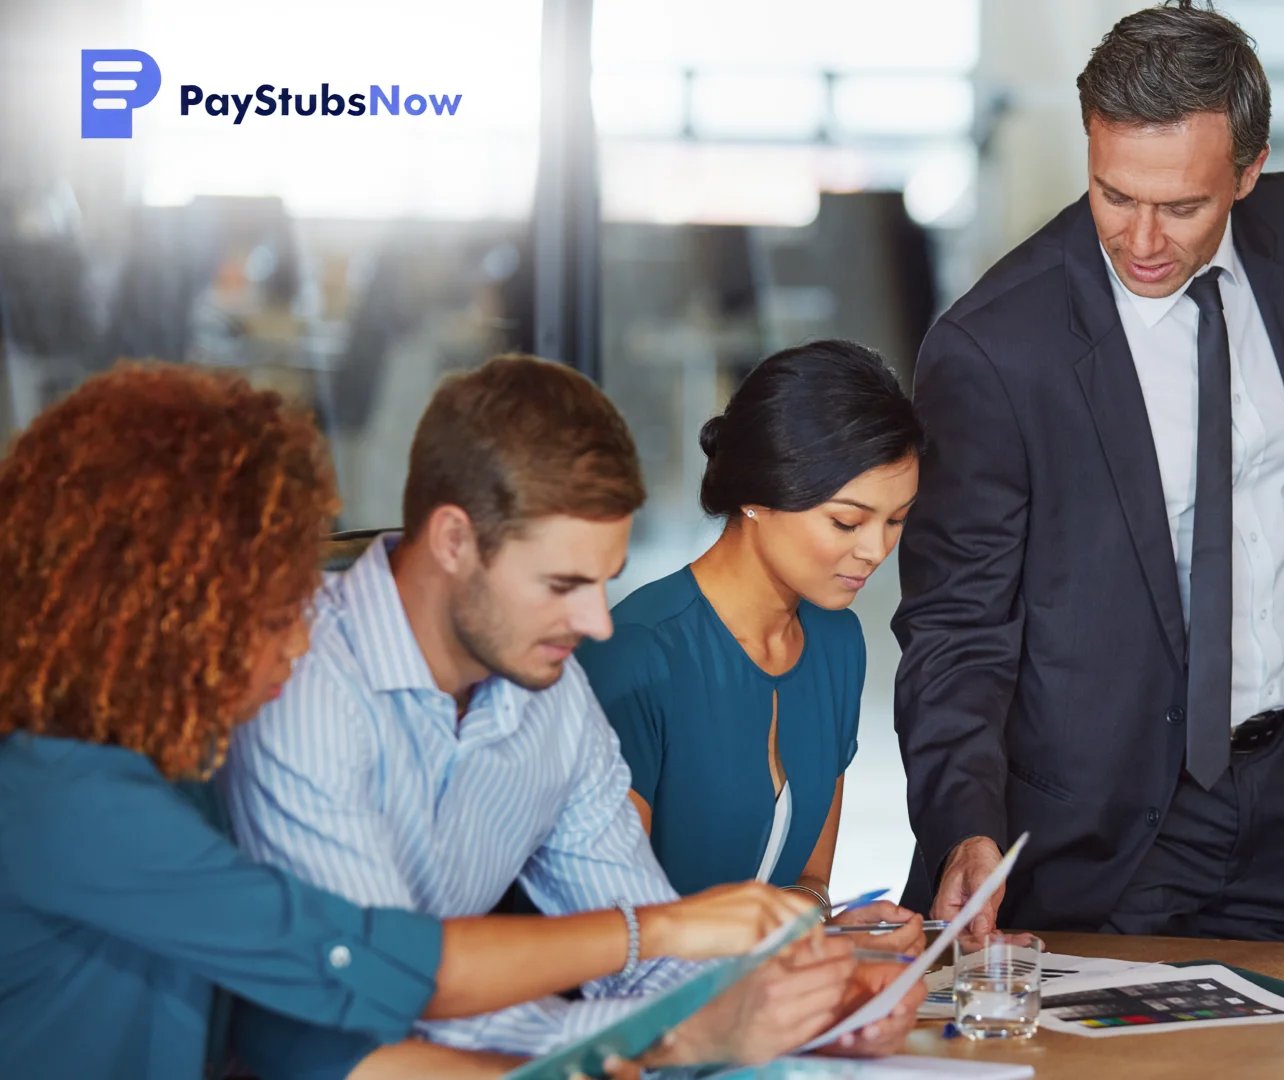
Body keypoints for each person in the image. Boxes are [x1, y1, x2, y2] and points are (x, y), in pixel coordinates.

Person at [0, 364, 811, 1079]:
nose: (302, 631)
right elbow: (364, 965)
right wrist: (660, 947)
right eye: (277, 606)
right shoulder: (69, 799)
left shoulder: (147, 769)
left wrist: (755, 1006)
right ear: (171, 620)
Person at [218, 355, 921, 1067]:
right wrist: (669, 1003)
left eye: (603, 582)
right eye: (562, 584)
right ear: (455, 541)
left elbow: (647, 955)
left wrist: (801, 1009)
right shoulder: (304, 678)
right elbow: (379, 982)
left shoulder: (554, 700)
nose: (597, 623)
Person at [894, 0, 1284, 943]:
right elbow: (955, 624)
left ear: (1249, 170)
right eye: (1114, 195)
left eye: (1182, 205)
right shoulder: (995, 347)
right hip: (1097, 836)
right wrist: (964, 823)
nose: (1142, 240)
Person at [577, 341, 927, 956]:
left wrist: (839, 930)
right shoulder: (636, 657)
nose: (876, 550)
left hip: (760, 1007)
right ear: (758, 496)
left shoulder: (837, 645)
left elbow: (808, 887)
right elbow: (607, 934)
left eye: (896, 520)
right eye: (847, 522)